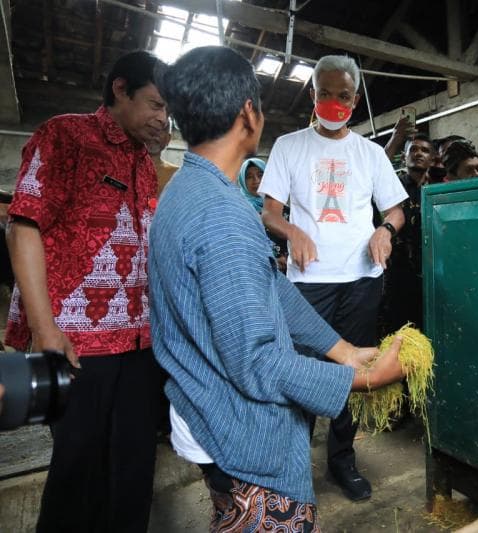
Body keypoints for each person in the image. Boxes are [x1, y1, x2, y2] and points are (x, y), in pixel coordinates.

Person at [150, 45, 405, 531]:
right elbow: (257, 362)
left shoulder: (193, 190)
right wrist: (362, 379)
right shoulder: (223, 217)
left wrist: (343, 349)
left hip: (207, 409)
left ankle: (339, 456)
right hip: (234, 429)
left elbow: (269, 284)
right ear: (249, 113)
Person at [5, 50, 167, 532]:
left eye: (168, 110)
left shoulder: (142, 158)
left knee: (135, 464)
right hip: (78, 341)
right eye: (156, 104)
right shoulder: (65, 135)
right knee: (79, 465)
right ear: (120, 89)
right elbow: (24, 225)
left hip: (140, 342)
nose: (163, 118)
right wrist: (44, 327)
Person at [259, 54, 408, 502]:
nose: (333, 102)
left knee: (352, 369)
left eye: (343, 95)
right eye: (325, 93)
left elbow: (396, 210)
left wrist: (385, 231)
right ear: (313, 94)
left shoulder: (370, 153)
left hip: (361, 280)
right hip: (308, 284)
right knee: (302, 372)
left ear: (356, 99)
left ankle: (342, 459)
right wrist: (292, 230)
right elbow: (269, 213)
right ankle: (293, 463)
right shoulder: (289, 146)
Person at [380, 133, 434, 336]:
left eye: (425, 150)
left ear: (432, 158)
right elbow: (378, 165)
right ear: (404, 156)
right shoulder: (393, 185)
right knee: (397, 328)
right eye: (413, 149)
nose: (419, 153)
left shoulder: (438, 187)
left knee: (427, 326)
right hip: (397, 270)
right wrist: (397, 136)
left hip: (430, 270)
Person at [147, 118, 179, 195]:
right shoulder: (122, 169)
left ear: (168, 139)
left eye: (161, 129)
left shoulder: (178, 175)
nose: (155, 134)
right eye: (150, 128)